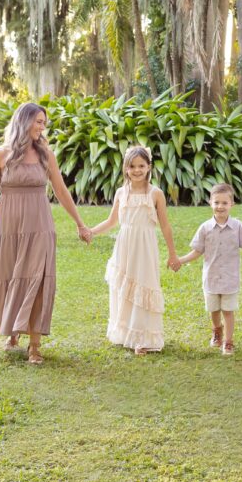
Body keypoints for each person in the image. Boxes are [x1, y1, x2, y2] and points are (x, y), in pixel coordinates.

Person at [0, 102, 92, 365]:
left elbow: (61, 191)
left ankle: (34, 345)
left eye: (43, 123)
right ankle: (13, 331)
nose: (42, 127)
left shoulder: (47, 155)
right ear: (23, 121)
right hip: (8, 226)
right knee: (10, 276)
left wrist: (80, 224)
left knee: (37, 279)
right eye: (38, 121)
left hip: (39, 226)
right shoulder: (0, 155)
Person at [88, 145, 180, 356]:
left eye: (141, 166)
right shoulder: (121, 192)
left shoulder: (156, 194)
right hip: (125, 245)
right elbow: (112, 221)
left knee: (144, 284)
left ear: (149, 167)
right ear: (125, 168)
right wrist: (91, 231)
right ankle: (125, 332)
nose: (137, 170)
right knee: (124, 287)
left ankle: (143, 337)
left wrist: (173, 254)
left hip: (145, 246)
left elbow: (165, 225)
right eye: (132, 166)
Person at [177, 183, 242, 356]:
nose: (220, 206)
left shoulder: (238, 226)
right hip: (211, 278)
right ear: (210, 203)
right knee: (214, 310)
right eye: (216, 202)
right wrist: (181, 260)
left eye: (225, 203)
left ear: (232, 204)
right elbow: (198, 250)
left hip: (230, 278)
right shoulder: (205, 228)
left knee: (228, 310)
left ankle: (229, 342)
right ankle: (217, 331)